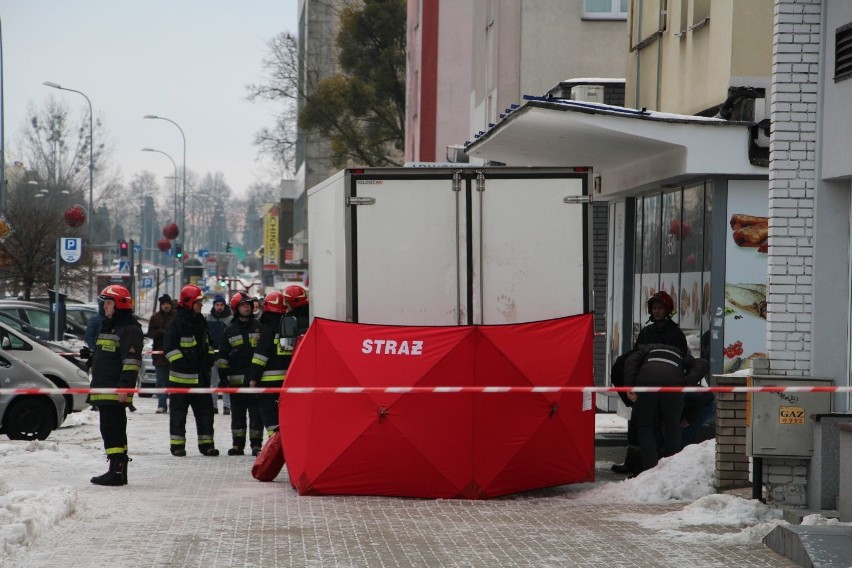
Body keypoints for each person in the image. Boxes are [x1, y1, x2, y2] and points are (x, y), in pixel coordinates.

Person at [612, 291, 688, 475]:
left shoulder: (676, 333)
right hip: (646, 386)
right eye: (654, 308)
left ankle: (658, 468)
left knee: (657, 425)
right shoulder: (646, 332)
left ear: (667, 310)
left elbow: (681, 360)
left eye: (660, 308)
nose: (656, 312)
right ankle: (635, 463)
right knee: (639, 424)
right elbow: (635, 357)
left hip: (665, 388)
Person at [88, 285, 144, 486]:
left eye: (109, 303)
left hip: (115, 391)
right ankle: (117, 470)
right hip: (105, 388)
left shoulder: (129, 330)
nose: (105, 308)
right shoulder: (111, 326)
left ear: (119, 305)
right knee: (111, 429)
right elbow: (108, 357)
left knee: (113, 429)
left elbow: (131, 362)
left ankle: (117, 471)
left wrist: (125, 388)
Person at [623, 343, 709, 472]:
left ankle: (649, 470)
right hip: (673, 386)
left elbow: (630, 361)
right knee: (672, 426)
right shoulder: (681, 355)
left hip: (646, 383)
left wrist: (629, 386)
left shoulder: (645, 349)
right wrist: (686, 382)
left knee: (646, 427)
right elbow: (703, 364)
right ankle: (670, 469)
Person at [165, 284, 219, 457]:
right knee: (178, 415)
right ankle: (177, 446)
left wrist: (210, 357)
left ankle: (207, 445)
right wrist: (183, 364)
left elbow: (208, 344)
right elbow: (170, 349)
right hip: (181, 379)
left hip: (201, 378)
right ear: (189, 302)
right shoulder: (176, 323)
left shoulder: (200, 322)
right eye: (198, 302)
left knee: (205, 413)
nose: (201, 305)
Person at [217, 292, 264, 456]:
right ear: (236, 308)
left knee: (256, 414)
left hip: (255, 380)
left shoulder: (259, 327)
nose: (246, 307)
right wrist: (223, 378)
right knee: (237, 415)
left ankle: (256, 445)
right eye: (243, 305)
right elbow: (222, 356)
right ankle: (238, 445)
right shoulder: (229, 330)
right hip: (236, 381)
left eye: (248, 305)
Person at [249, 291, 291, 438]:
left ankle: (274, 443)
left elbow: (261, 356)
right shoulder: (289, 327)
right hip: (287, 381)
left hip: (268, 382)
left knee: (269, 415)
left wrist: (253, 377)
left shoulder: (267, 328)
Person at [146, 294, 175, 413]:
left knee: (173, 382)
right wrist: (160, 332)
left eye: (168, 303)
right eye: (164, 304)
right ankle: (162, 404)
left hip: (174, 354)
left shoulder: (176, 317)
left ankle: (174, 405)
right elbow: (150, 333)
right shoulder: (155, 318)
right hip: (159, 356)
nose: (166, 306)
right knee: (160, 381)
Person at [207, 294, 233, 415]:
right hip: (212, 355)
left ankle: (227, 406)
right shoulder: (208, 318)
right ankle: (213, 405)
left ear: (224, 305)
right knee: (213, 382)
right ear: (214, 305)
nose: (219, 307)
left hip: (226, 355)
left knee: (226, 381)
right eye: (217, 305)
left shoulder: (230, 319)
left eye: (221, 305)